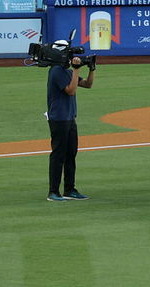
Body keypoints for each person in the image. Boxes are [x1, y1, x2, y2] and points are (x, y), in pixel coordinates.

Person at [45, 40, 95, 202]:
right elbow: (71, 91)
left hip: (69, 117)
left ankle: (69, 189)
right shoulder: (57, 71)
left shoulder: (67, 71)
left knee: (70, 154)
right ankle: (53, 192)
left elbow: (87, 85)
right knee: (58, 155)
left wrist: (91, 69)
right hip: (59, 118)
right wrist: (75, 69)